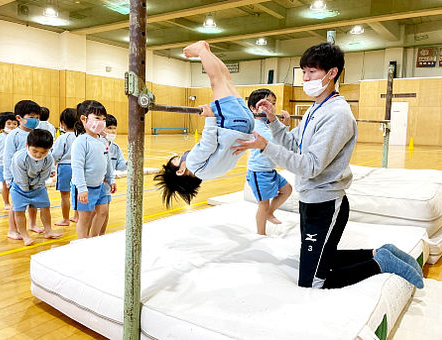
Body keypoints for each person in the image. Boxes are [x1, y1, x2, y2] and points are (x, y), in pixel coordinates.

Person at [233, 43, 423, 289]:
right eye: (304, 72)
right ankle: (378, 253)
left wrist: (265, 147)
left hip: (325, 204)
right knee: (318, 259)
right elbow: (292, 143)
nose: (305, 78)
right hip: (309, 199)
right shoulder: (316, 108)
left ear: (332, 73)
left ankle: (380, 264)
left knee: (313, 282)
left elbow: (311, 166)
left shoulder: (337, 114)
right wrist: (272, 121)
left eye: (312, 72)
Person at [154, 41, 254, 208]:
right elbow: (208, 144)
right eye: (179, 158)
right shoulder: (193, 164)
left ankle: (207, 51)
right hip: (229, 125)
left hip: (246, 126)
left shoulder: (211, 173)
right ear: (181, 171)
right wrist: (210, 117)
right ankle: (202, 50)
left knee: (227, 81)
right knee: (217, 81)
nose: (184, 155)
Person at [246, 89, 292, 235]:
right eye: (265, 104)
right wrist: (282, 126)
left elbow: (283, 141)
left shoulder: (267, 124)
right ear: (253, 108)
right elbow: (273, 142)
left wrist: (282, 125)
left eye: (273, 104)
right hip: (258, 172)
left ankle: (269, 213)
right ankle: (261, 233)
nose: (270, 107)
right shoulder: (255, 125)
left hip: (270, 170)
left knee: (287, 190)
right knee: (263, 205)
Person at [71, 100, 116, 239]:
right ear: (84, 119)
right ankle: (82, 243)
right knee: (85, 217)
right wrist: (82, 188)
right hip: (85, 187)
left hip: (100, 185)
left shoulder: (103, 140)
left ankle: (95, 238)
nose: (101, 122)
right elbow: (77, 167)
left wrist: (111, 179)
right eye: (97, 118)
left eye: (103, 119)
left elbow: (107, 162)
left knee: (102, 212)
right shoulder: (81, 142)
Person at [9, 129, 62, 246]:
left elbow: (45, 175)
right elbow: (21, 178)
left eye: (43, 152)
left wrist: (37, 185)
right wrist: (27, 190)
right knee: (19, 211)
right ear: (27, 145)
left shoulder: (48, 158)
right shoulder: (19, 158)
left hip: (38, 187)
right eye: (35, 151)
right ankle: (24, 234)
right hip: (20, 188)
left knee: (45, 207)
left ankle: (48, 230)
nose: (38, 155)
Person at [3, 100, 45, 240]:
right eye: (31, 117)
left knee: (34, 202)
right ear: (19, 118)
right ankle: (12, 229)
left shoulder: (37, 134)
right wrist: (8, 178)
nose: (35, 120)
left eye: (37, 117)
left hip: (35, 175)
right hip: (18, 177)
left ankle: (32, 224)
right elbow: (7, 158)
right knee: (17, 206)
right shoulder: (13, 136)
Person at [91, 114, 127, 236]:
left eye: (114, 128)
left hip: (107, 187)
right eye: (109, 128)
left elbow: (121, 165)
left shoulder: (115, 148)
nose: (112, 131)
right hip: (94, 185)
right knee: (95, 213)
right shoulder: (96, 144)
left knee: (105, 212)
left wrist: (132, 163)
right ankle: (92, 236)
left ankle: (102, 235)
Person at [52, 108, 79, 226]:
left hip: (65, 167)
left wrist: (52, 166)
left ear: (62, 123)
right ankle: (77, 216)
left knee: (65, 196)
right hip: (78, 167)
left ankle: (65, 219)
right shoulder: (80, 136)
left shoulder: (63, 138)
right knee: (77, 192)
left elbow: (56, 154)